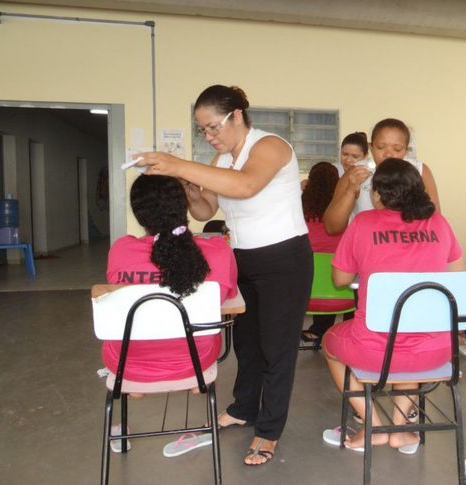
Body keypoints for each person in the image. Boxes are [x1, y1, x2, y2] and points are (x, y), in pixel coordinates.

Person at [136, 85, 313, 466]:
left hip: (284, 259)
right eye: (202, 130)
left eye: (213, 127)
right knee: (247, 344)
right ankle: (243, 408)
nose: (209, 136)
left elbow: (246, 185)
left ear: (236, 116)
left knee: (277, 348)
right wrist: (190, 191)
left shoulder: (270, 146)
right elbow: (205, 211)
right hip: (242, 259)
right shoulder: (221, 159)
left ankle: (269, 431)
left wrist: (178, 164)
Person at [321, 158, 464, 452]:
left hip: (374, 351)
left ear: (377, 194)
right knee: (410, 337)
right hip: (436, 352)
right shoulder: (439, 222)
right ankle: (400, 429)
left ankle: (373, 425)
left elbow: (340, 279)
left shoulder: (363, 223)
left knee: (329, 344)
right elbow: (458, 276)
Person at [103, 174, 238, 455]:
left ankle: (136, 386)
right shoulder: (217, 250)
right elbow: (227, 299)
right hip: (195, 359)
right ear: (184, 204)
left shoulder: (121, 250)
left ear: (139, 213)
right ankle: (194, 383)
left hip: (127, 361)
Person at [323, 118, 440, 235]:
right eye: (381, 147)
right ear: (371, 147)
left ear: (406, 151)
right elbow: (332, 228)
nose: (388, 154)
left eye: (397, 149)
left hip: (408, 244)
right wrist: (350, 190)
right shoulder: (356, 172)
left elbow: (435, 222)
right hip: (366, 243)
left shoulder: (419, 171)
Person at [300, 162, 353, 345]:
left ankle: (318, 330)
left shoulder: (298, 215)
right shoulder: (345, 216)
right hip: (344, 298)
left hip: (305, 298)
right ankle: (348, 332)